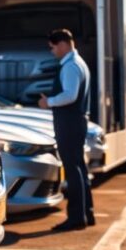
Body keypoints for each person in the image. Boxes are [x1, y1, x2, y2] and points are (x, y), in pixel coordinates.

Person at [39, 28, 94, 231]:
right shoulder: (79, 63)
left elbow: (70, 95)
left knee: (73, 169)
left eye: (53, 47)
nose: (52, 51)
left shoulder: (70, 66)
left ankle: (76, 217)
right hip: (76, 121)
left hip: (69, 122)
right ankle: (87, 213)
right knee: (79, 168)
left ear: (62, 44)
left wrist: (49, 102)